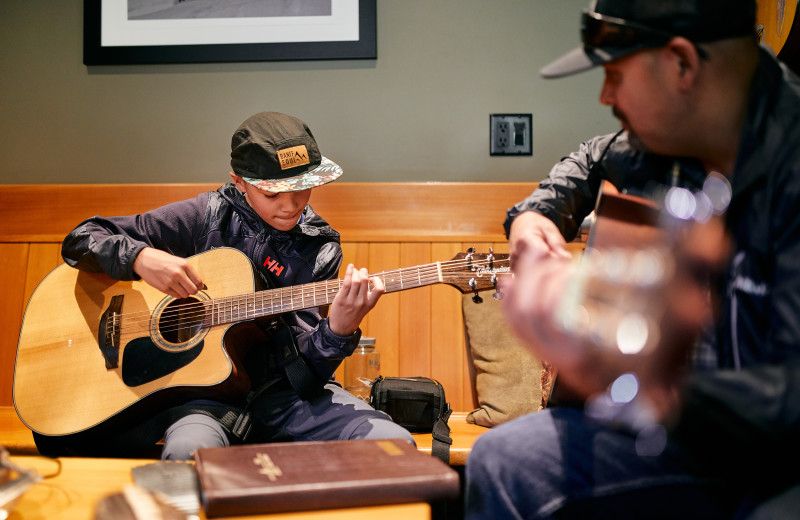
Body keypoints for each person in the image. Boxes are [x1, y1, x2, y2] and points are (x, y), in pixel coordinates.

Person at [465, 0, 800, 518]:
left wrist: (644, 386)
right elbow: (595, 158)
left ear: (682, 64)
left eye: (615, 73)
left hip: (774, 460)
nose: (605, 95)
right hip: (700, 435)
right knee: (505, 457)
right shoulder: (691, 132)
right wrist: (535, 222)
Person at [47, 111, 414, 460]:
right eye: (272, 194)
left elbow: (305, 376)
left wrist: (338, 330)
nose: (291, 206)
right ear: (239, 182)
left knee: (393, 444)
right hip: (206, 400)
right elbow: (81, 239)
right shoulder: (205, 216)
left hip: (288, 398)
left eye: (303, 189)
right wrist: (139, 258)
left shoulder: (319, 248)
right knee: (188, 453)